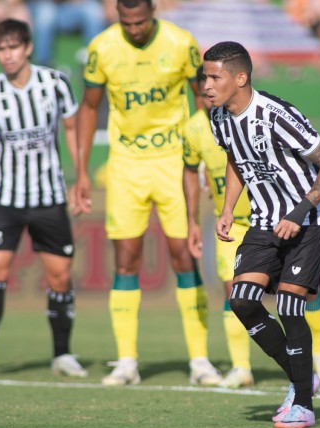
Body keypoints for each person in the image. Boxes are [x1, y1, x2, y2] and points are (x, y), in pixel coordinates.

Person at [73, 0, 222, 387]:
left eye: (140, 21)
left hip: (174, 161)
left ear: (153, 12)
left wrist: (206, 158)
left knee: (184, 257)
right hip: (126, 165)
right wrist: (82, 171)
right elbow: (88, 109)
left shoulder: (180, 43)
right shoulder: (102, 48)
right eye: (126, 22)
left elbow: (204, 103)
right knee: (126, 259)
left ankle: (200, 360)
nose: (134, 28)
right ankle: (126, 361)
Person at [203, 41, 320, 428]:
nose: (207, 84)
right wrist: (229, 208)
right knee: (242, 301)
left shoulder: (275, 115)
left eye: (215, 76)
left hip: (312, 218)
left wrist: (299, 213)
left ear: (241, 77)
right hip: (264, 220)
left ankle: (303, 406)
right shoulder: (217, 117)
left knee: (289, 304)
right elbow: (235, 159)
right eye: (205, 76)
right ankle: (302, 379)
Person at [0, 19, 87, 380]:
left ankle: (62, 354)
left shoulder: (55, 84)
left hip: (49, 197)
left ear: (28, 47)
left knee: (60, 277)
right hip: (5, 199)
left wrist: (81, 178)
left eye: (13, 47)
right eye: (0, 48)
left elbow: (74, 130)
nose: (7, 55)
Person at [28, 0, 112, 68]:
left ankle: (95, 62)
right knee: (45, 15)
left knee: (93, 11)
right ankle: (43, 66)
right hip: (46, 6)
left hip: (74, 7)